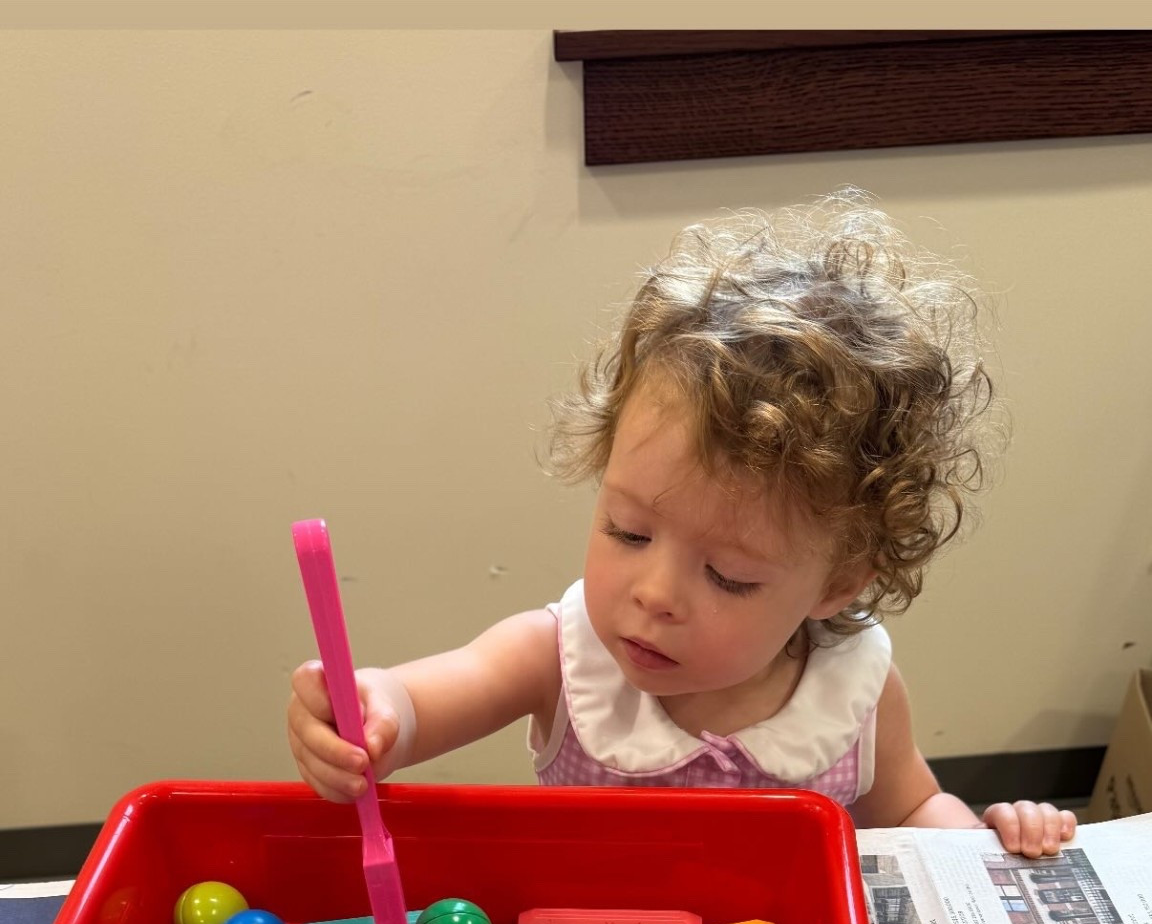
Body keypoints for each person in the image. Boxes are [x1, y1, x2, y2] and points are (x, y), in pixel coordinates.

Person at [288, 194, 1076, 860]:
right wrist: (375, 708)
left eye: (729, 576)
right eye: (629, 532)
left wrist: (984, 840)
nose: (654, 594)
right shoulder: (561, 659)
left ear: (835, 584)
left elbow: (909, 815)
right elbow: (430, 697)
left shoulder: (855, 693)